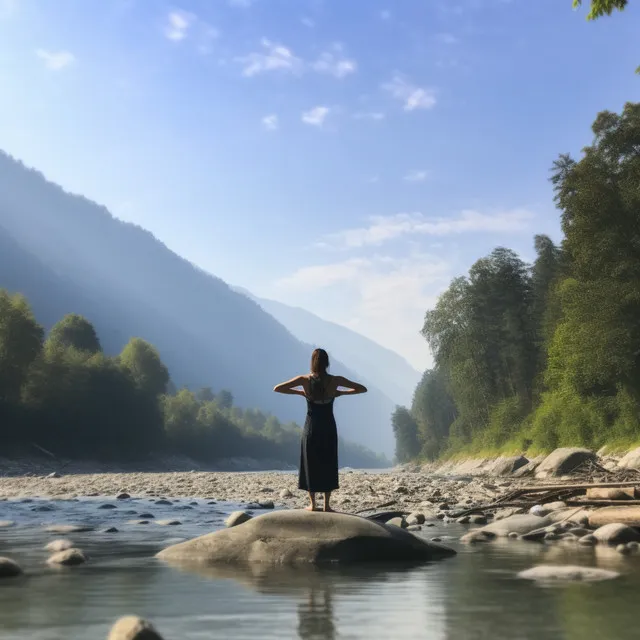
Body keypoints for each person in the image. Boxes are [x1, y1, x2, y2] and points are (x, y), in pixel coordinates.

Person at [273, 348, 367, 512]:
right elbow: (361, 389)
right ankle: (327, 505)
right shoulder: (336, 380)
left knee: (311, 462)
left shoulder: (304, 380)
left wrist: (301, 393)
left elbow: (278, 388)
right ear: (327, 363)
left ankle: (313, 504)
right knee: (328, 462)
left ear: (312, 362)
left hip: (311, 427)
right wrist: (340, 393)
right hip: (328, 426)